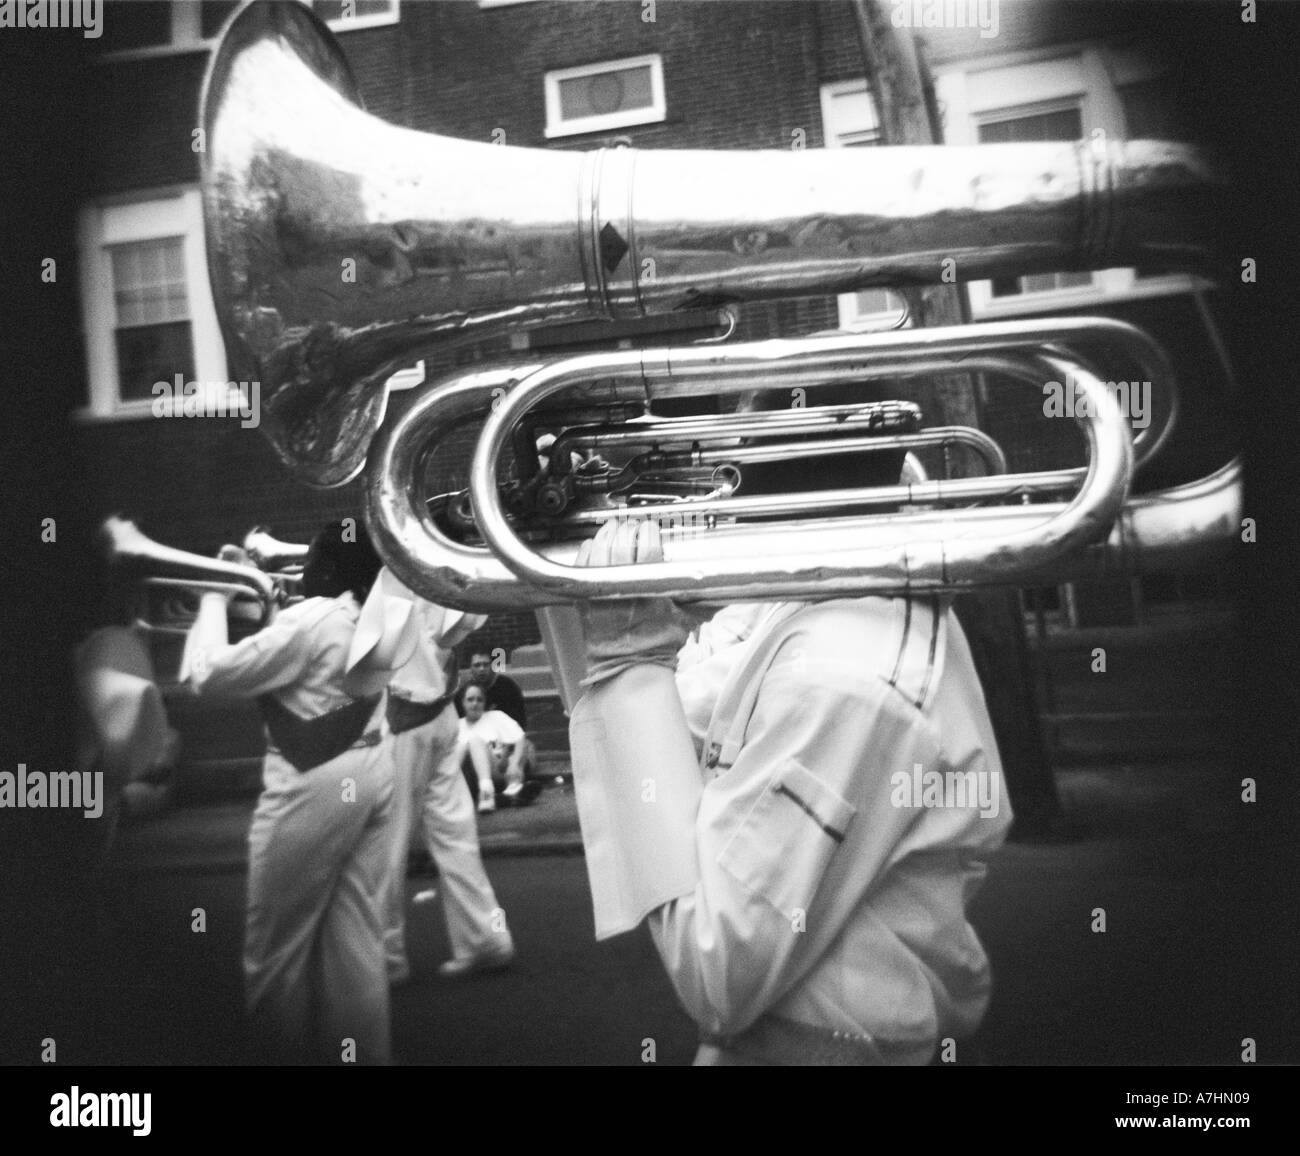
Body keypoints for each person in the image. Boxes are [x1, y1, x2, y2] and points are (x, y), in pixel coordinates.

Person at [566, 519, 1013, 1065]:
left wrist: (626, 663)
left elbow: (719, 972)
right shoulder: (815, 592)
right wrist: (606, 621)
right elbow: (683, 709)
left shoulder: (839, 674)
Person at [181, 520, 397, 1065]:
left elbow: (205, 675)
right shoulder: (383, 612)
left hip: (311, 784)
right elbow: (304, 666)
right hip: (373, 770)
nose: (299, 572)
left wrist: (211, 597)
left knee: (273, 954)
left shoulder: (311, 619)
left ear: (322, 569)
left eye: (307, 563)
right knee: (356, 945)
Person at [377, 572, 516, 982]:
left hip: (406, 715)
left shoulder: (395, 569)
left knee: (387, 841)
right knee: (455, 834)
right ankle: (486, 939)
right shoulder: (437, 567)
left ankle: (385, 958)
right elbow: (455, 625)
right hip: (441, 713)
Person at [456, 683, 529, 813]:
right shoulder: (457, 726)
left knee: (475, 741)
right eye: (470, 699)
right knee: (461, 747)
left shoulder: (496, 717)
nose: (475, 704)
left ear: (485, 702)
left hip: (496, 769)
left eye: (479, 699)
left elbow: (520, 739)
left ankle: (486, 792)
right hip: (466, 776)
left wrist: (515, 764)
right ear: (462, 703)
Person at [455, 649, 528, 729]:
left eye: (486, 665)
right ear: (470, 669)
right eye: (477, 665)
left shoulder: (508, 688)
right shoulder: (464, 693)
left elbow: (519, 722)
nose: (481, 669)